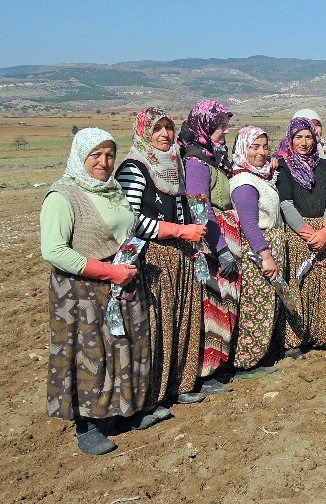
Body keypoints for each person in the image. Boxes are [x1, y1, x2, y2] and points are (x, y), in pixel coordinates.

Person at [41, 129, 165, 455]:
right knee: (90, 353)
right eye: (95, 154)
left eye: (109, 154)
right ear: (79, 156)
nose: (103, 161)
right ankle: (88, 425)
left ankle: (126, 411)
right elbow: (53, 250)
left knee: (125, 345)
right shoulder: (63, 196)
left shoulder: (113, 190)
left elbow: (131, 224)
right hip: (83, 288)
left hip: (121, 280)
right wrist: (110, 271)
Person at [115, 108, 207, 405]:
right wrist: (179, 232)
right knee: (158, 324)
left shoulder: (173, 163)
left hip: (179, 252)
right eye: (158, 129)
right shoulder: (134, 167)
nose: (165, 134)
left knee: (182, 318)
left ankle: (180, 384)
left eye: (169, 127)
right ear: (143, 132)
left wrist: (187, 236)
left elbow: (179, 207)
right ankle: (154, 393)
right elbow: (132, 220)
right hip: (152, 256)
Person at [177, 100, 240, 389]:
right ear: (204, 127)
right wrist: (222, 249)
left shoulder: (212, 156)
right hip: (211, 244)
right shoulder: (196, 161)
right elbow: (200, 210)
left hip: (222, 239)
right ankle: (207, 371)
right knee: (212, 307)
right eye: (219, 127)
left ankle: (221, 364)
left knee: (224, 306)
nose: (225, 132)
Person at [276, 117, 326, 353]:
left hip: (324, 230)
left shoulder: (323, 165)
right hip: (299, 232)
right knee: (299, 283)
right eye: (299, 137)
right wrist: (309, 234)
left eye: (308, 136)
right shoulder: (284, 166)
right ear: (291, 139)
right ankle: (295, 339)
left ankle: (325, 336)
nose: (304, 142)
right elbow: (286, 204)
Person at [229, 126, 286, 371]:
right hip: (258, 251)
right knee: (256, 305)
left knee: (267, 303)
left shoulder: (258, 177)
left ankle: (259, 355)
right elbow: (249, 224)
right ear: (243, 148)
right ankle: (246, 362)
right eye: (254, 147)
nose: (261, 152)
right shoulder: (244, 182)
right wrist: (265, 255)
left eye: (264, 146)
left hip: (269, 245)